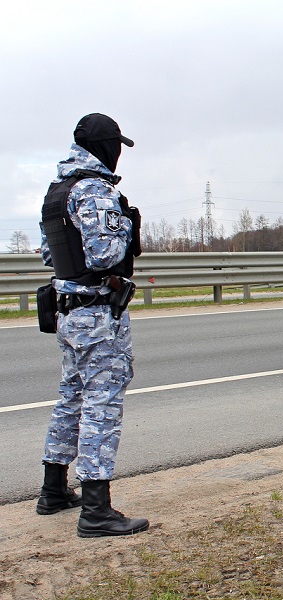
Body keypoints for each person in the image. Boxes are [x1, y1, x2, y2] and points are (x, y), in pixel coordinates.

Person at [37, 113, 148, 538]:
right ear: (106, 146)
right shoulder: (95, 189)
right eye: (116, 145)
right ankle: (96, 510)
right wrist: (127, 227)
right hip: (98, 313)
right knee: (102, 405)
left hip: (68, 311)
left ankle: (53, 490)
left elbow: (50, 256)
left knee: (71, 397)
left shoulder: (57, 191)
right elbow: (104, 255)